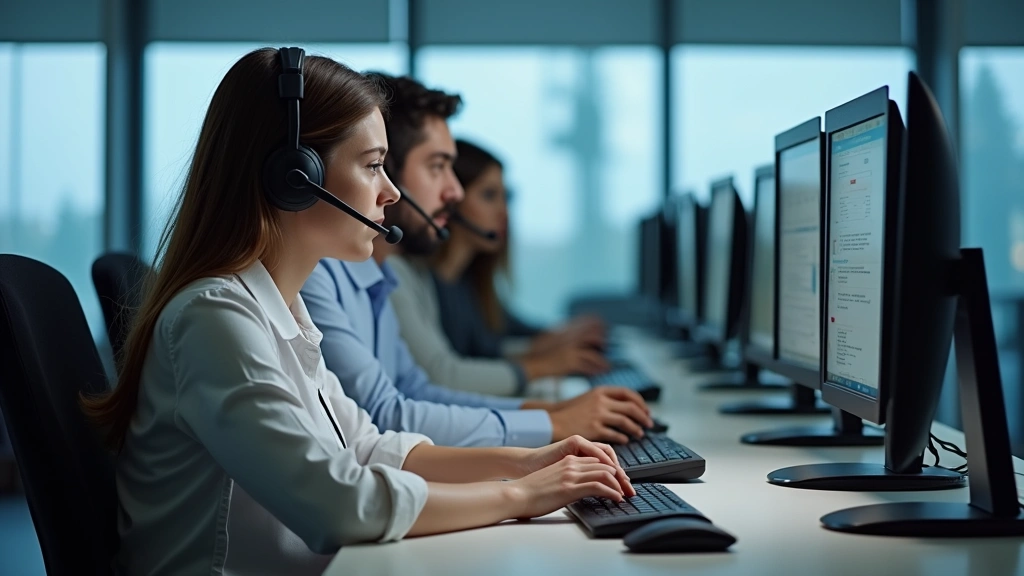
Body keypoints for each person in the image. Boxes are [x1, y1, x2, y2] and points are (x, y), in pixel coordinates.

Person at [80, 48, 632, 576]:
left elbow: (366, 447)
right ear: (294, 179)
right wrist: (519, 497)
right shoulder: (214, 319)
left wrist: (527, 462)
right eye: (372, 166)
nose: (390, 192)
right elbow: (337, 502)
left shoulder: (279, 306)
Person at [300, 83, 653, 448]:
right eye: (437, 167)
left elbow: (415, 390)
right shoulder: (319, 277)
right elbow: (387, 414)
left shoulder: (381, 276)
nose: (455, 192)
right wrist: (549, 427)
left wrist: (553, 416)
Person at [371, 76, 614, 400]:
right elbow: (441, 379)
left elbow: (408, 407)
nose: (452, 192)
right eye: (436, 167)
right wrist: (549, 404)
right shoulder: (391, 275)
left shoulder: (405, 273)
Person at [431, 139, 610, 371]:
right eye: (489, 195)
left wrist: (559, 335)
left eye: (507, 197)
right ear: (452, 200)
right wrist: (548, 359)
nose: (504, 212)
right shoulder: (425, 284)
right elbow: (455, 370)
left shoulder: (468, 281)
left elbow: (506, 331)